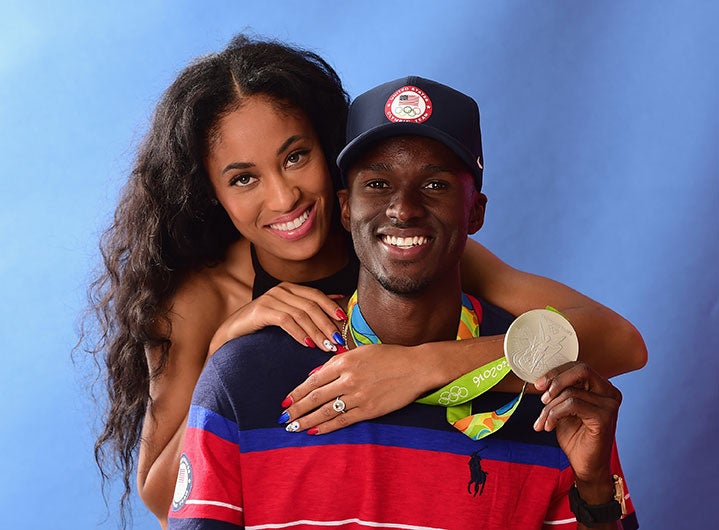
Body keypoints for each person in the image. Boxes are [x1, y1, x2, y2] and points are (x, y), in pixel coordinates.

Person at [83, 35, 646, 527]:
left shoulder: (399, 242)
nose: (283, 197)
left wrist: (422, 367)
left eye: (296, 157)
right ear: (210, 193)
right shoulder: (201, 298)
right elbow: (163, 498)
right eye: (243, 178)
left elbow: (620, 343)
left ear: (333, 157)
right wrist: (224, 346)